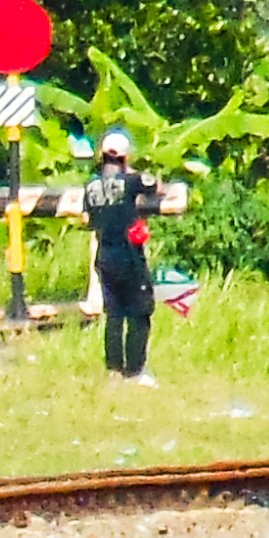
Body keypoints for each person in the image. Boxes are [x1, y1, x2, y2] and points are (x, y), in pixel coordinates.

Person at [89, 133, 162, 379]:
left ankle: (113, 368)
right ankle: (135, 369)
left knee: (114, 314)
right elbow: (154, 186)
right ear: (125, 156)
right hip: (128, 254)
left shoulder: (90, 186)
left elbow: (88, 218)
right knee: (141, 311)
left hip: (104, 255)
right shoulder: (131, 180)